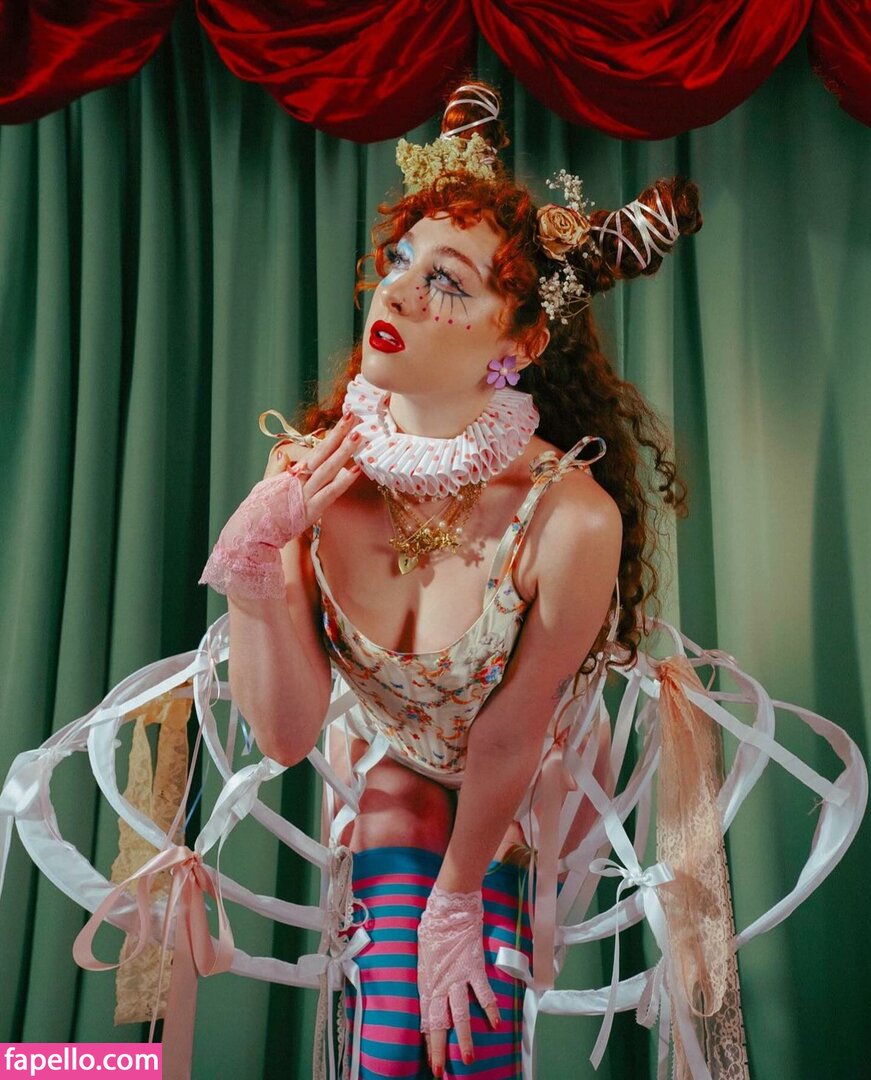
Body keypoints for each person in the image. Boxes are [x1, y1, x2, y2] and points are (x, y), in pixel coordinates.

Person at [0, 80, 863, 1080]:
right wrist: (250, 571)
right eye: (398, 261)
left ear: (519, 343)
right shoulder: (308, 477)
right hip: (394, 760)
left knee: (469, 1027)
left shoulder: (570, 518)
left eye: (447, 281)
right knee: (392, 1005)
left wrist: (456, 901)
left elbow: (511, 732)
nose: (397, 294)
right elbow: (286, 736)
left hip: (529, 774)